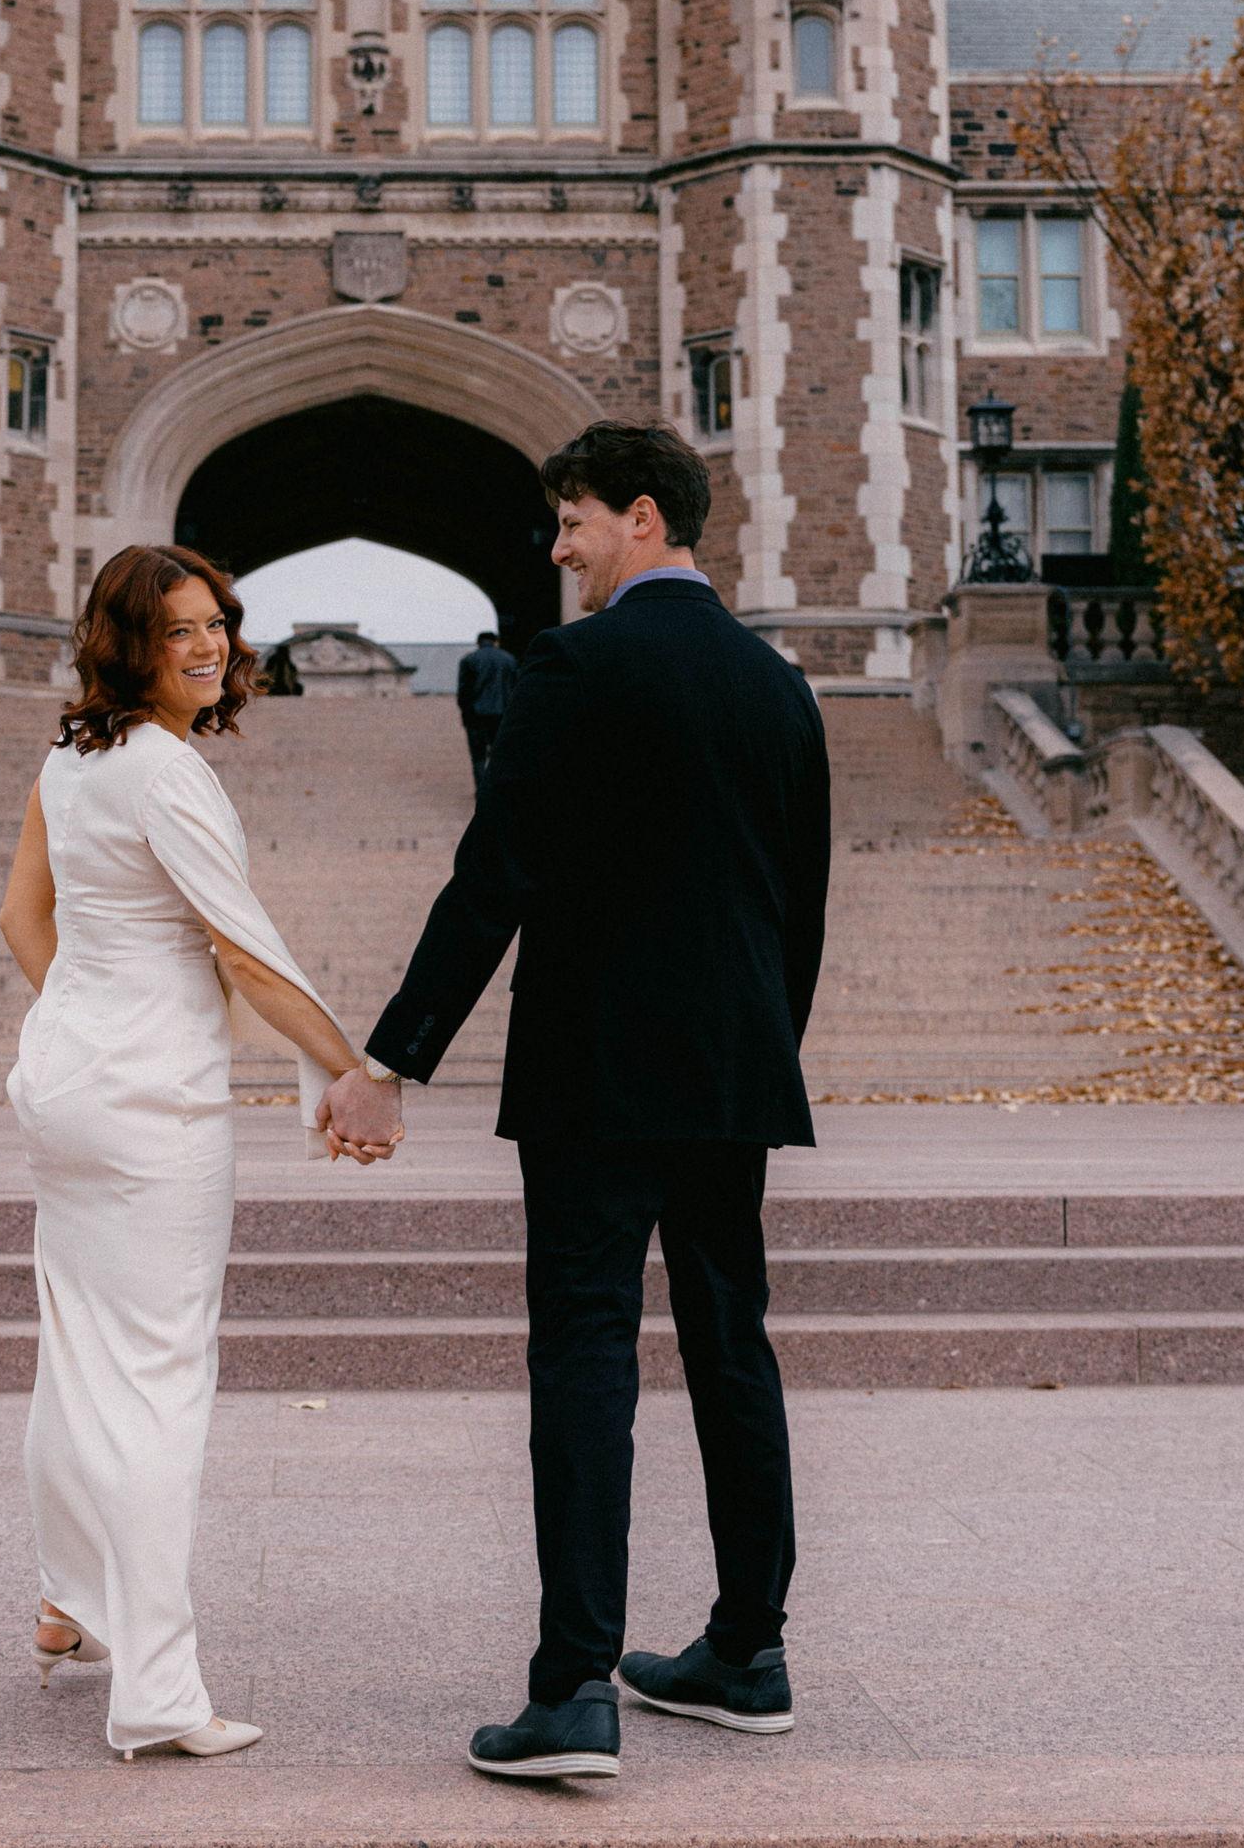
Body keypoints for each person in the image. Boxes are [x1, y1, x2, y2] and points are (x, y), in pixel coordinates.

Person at [320, 420, 831, 1783]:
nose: (558, 550)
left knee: (587, 1354)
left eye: (573, 522)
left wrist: (392, 1059)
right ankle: (749, 1651)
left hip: (595, 1074)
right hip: (733, 1074)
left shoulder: (576, 665)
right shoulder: (780, 687)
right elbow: (798, 911)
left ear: (643, 516)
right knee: (732, 1347)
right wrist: (757, 1053)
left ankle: (572, 1690)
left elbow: (497, 872)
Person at [0, 543, 400, 1763]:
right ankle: (160, 1694)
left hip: (67, 1086)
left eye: (214, 622)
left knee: (78, 1355)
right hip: (150, 1106)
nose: (209, 645)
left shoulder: (72, 757)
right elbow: (246, 956)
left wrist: (89, 1016)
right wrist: (354, 1075)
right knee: (160, 1383)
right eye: (178, 630)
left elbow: (22, 918)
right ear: (130, 645)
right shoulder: (165, 772)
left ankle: (68, 1600)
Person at [455, 629, 518, 797]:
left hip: (476, 715)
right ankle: (499, 788)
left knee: (478, 756)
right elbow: (515, 689)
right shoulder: (509, 659)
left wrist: (466, 713)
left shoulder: (469, 660)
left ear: (478, 643)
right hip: (502, 714)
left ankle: (482, 791)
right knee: (500, 754)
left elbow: (463, 692)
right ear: (495, 642)